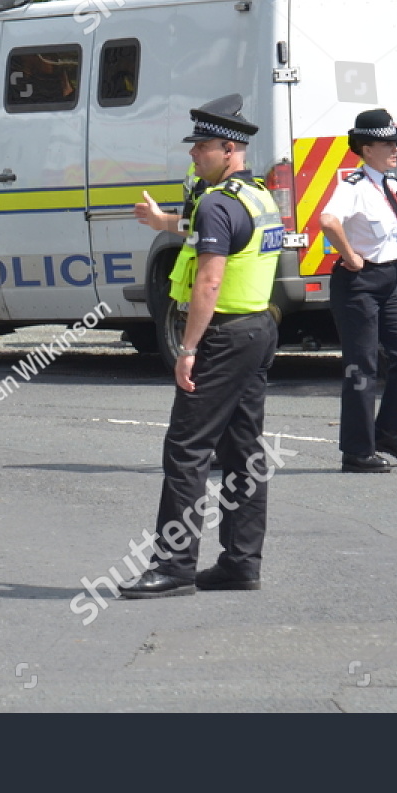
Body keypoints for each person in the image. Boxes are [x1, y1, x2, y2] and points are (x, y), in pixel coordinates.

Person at [118, 97, 283, 598]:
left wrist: (187, 347)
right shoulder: (255, 197)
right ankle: (241, 562)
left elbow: (208, 281)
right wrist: (163, 221)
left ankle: (173, 566)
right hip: (258, 329)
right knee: (243, 450)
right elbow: (207, 233)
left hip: (222, 335)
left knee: (187, 450)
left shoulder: (217, 202)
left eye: (202, 146)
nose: (194, 154)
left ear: (228, 149)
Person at [318, 109, 397, 473]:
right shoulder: (354, 187)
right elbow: (328, 221)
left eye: (396, 141)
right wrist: (349, 256)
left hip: (391, 279)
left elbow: (395, 233)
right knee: (361, 368)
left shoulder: (392, 185)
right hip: (359, 285)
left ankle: (386, 431)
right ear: (366, 148)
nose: (395, 148)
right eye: (386, 142)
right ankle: (357, 450)